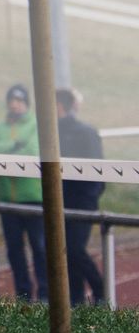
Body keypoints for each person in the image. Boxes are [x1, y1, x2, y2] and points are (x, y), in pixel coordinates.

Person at [0, 83, 47, 302]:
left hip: (33, 198)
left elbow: (33, 151)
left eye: (19, 101)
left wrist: (6, 149)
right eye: (12, 101)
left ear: (26, 104)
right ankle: (24, 294)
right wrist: (13, 145)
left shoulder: (36, 125)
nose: (15, 105)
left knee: (40, 248)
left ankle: (46, 293)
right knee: (14, 250)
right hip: (7, 199)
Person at [56, 88, 107, 305]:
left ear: (60, 106)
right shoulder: (50, 132)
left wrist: (92, 195)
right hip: (60, 198)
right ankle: (75, 299)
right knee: (66, 250)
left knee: (75, 248)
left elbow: (98, 169)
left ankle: (101, 291)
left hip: (83, 200)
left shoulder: (86, 132)